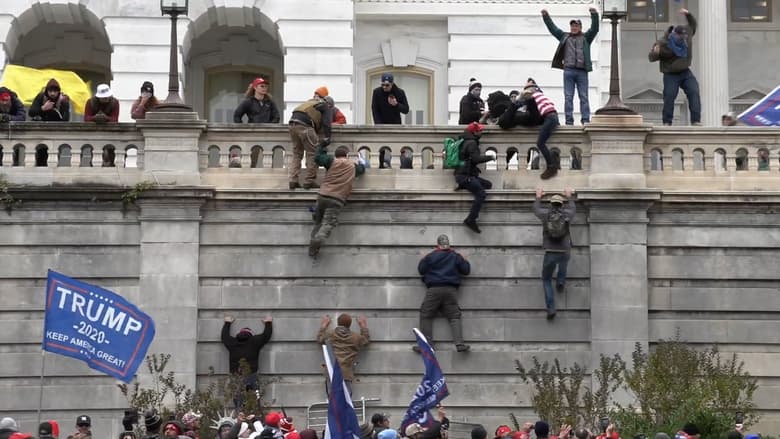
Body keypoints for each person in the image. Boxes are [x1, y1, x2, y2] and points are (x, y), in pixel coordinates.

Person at [542, 7, 599, 125]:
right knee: (568, 97)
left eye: (576, 25)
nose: (574, 27)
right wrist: (546, 17)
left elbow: (594, 29)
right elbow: (553, 29)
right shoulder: (564, 37)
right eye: (572, 26)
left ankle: (585, 120)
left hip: (582, 71)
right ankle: (569, 121)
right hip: (568, 70)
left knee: (583, 97)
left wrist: (594, 15)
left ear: (580, 27)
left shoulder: (586, 38)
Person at [308, 145, 366, 258]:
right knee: (328, 224)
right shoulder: (353, 166)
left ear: (336, 155)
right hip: (337, 199)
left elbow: (318, 158)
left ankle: (313, 242)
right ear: (346, 155)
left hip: (323, 194)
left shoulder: (331, 161)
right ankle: (317, 240)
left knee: (318, 222)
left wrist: (322, 147)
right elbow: (362, 169)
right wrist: (361, 162)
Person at [416, 234, 471, 352]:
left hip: (434, 290)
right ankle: (459, 344)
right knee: (454, 316)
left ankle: (427, 345)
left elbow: (421, 270)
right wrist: (465, 259)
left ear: (438, 245)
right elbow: (466, 271)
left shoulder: (431, 256)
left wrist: (423, 259)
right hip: (451, 290)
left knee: (426, 314)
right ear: (448, 244)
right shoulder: (455, 256)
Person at [648, 8, 700, 126]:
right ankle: (667, 121)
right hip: (670, 74)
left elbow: (693, 24)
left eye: (684, 37)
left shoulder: (686, 36)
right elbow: (651, 57)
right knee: (669, 95)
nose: (683, 40)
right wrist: (655, 53)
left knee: (694, 91)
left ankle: (696, 120)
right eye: (680, 38)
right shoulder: (663, 43)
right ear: (674, 35)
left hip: (685, 72)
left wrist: (688, 14)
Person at [533, 188, 576, 320]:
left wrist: (538, 197)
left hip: (550, 251)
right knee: (564, 261)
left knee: (546, 279)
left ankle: (551, 308)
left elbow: (535, 209)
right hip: (564, 249)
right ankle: (561, 281)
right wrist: (569, 196)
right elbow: (573, 207)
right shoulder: (567, 213)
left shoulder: (545, 214)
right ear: (561, 204)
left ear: (551, 204)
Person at [221, 313, 273, 404]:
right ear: (251, 334)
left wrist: (227, 323)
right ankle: (252, 415)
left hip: (236, 375)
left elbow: (224, 337)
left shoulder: (233, 342)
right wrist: (268, 323)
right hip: (251, 375)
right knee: (253, 401)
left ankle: (239, 414)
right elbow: (266, 336)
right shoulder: (255, 342)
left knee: (238, 401)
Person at [454, 122, 494, 233]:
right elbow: (476, 159)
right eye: (480, 131)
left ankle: (463, 185)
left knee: (488, 185)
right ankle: (471, 219)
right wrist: (490, 157)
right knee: (481, 194)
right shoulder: (471, 143)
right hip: (464, 176)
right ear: (474, 132)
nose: (481, 132)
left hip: (465, 174)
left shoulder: (464, 140)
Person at [288, 90, 333, 190]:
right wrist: (327, 137)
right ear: (329, 105)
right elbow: (326, 123)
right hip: (305, 127)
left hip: (292, 125)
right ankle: (309, 181)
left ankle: (293, 180)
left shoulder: (308, 103)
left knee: (297, 153)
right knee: (313, 153)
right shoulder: (325, 106)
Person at [316, 313, 370, 394]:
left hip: (332, 372)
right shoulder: (355, 337)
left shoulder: (330, 334)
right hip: (346, 373)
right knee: (345, 399)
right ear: (350, 324)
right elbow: (365, 341)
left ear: (338, 323)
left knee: (333, 400)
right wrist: (363, 325)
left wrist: (324, 325)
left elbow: (320, 339)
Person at [518, 80, 561, 179]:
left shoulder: (533, 96)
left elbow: (521, 102)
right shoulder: (542, 95)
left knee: (540, 143)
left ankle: (551, 166)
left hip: (549, 117)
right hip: (552, 116)